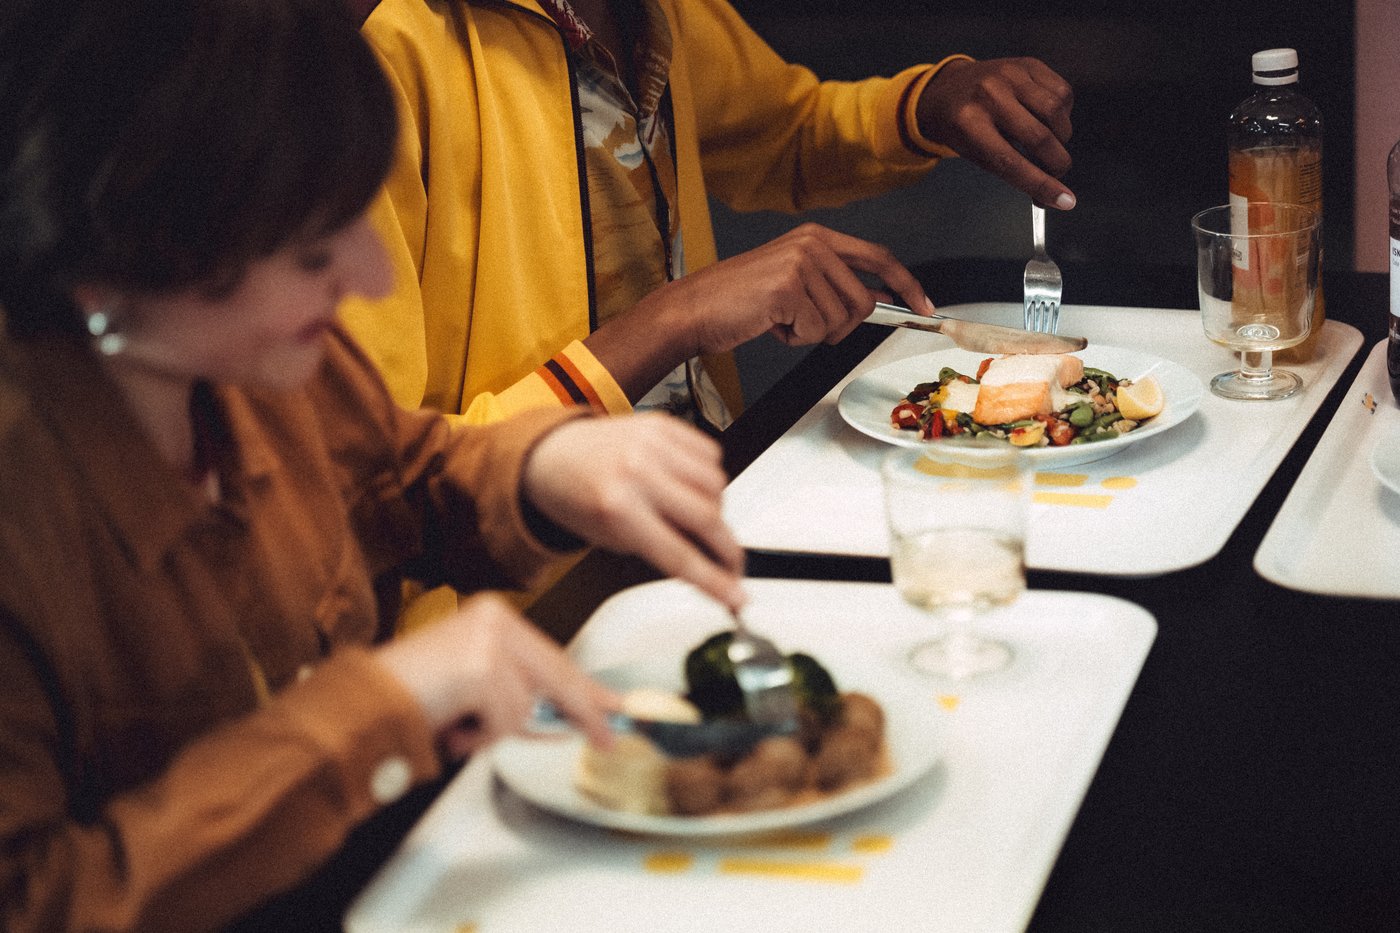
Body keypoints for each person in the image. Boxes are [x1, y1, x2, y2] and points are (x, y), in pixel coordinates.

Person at [0, 1, 745, 929]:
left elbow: (405, 474)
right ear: (123, 257)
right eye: (316, 249)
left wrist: (545, 469)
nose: (372, 278)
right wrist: (378, 707)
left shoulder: (262, 363)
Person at [344, 0, 1076, 432]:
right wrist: (678, 317)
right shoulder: (379, 53)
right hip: (521, 604)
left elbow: (781, 132)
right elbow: (376, 486)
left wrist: (924, 105)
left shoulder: (658, 11)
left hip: (703, 501)